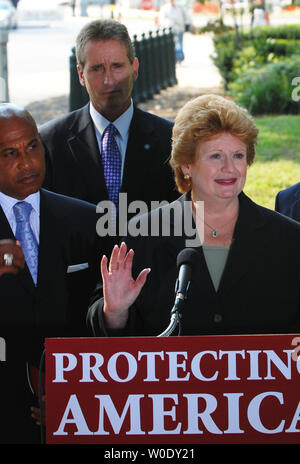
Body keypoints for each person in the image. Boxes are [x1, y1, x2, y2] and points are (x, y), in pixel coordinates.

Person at [87, 94, 300, 338]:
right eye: (216, 156)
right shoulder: (143, 233)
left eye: (238, 155)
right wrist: (115, 312)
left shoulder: (288, 238)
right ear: (186, 164)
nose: (229, 168)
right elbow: (114, 343)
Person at [0, 103, 101, 443]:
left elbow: (100, 317)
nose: (27, 163)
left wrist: (73, 394)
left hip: (80, 408)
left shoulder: (87, 221)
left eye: (32, 146)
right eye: (9, 153)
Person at [40, 19, 179, 218]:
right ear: (80, 74)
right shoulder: (50, 143)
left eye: (117, 66)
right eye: (97, 68)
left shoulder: (171, 141)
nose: (109, 80)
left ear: (135, 68)